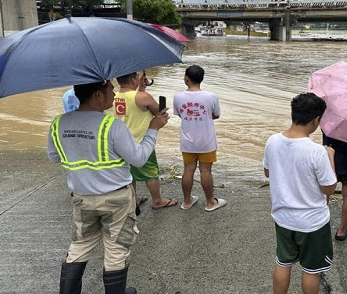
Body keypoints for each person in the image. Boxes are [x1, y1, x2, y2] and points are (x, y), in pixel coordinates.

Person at [47, 80, 169, 294]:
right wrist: (153, 129)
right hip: (116, 200)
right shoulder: (111, 125)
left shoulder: (58, 123)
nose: (114, 94)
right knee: (116, 249)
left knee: (80, 246)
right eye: (109, 90)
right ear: (97, 94)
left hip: (82, 197)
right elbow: (139, 159)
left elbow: (54, 156)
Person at [263, 93, 337, 294]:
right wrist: (330, 157)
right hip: (312, 222)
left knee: (283, 263)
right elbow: (329, 188)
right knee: (311, 271)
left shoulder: (273, 141)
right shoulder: (316, 151)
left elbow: (268, 172)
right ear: (316, 120)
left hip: (283, 217)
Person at [114, 72, 178, 212]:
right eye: (137, 77)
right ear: (132, 80)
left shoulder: (115, 96)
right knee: (150, 172)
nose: (139, 78)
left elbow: (134, 105)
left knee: (130, 172)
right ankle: (157, 200)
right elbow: (158, 112)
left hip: (122, 142)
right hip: (141, 141)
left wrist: (141, 88)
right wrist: (143, 92)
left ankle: (134, 198)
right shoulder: (143, 97)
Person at [172, 65, 225, 211]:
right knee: (206, 171)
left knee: (188, 170)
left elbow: (180, 114)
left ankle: (187, 201)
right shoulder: (211, 96)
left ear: (186, 79)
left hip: (187, 140)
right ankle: (210, 202)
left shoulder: (178, 97)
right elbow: (216, 115)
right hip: (206, 140)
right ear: (201, 79)